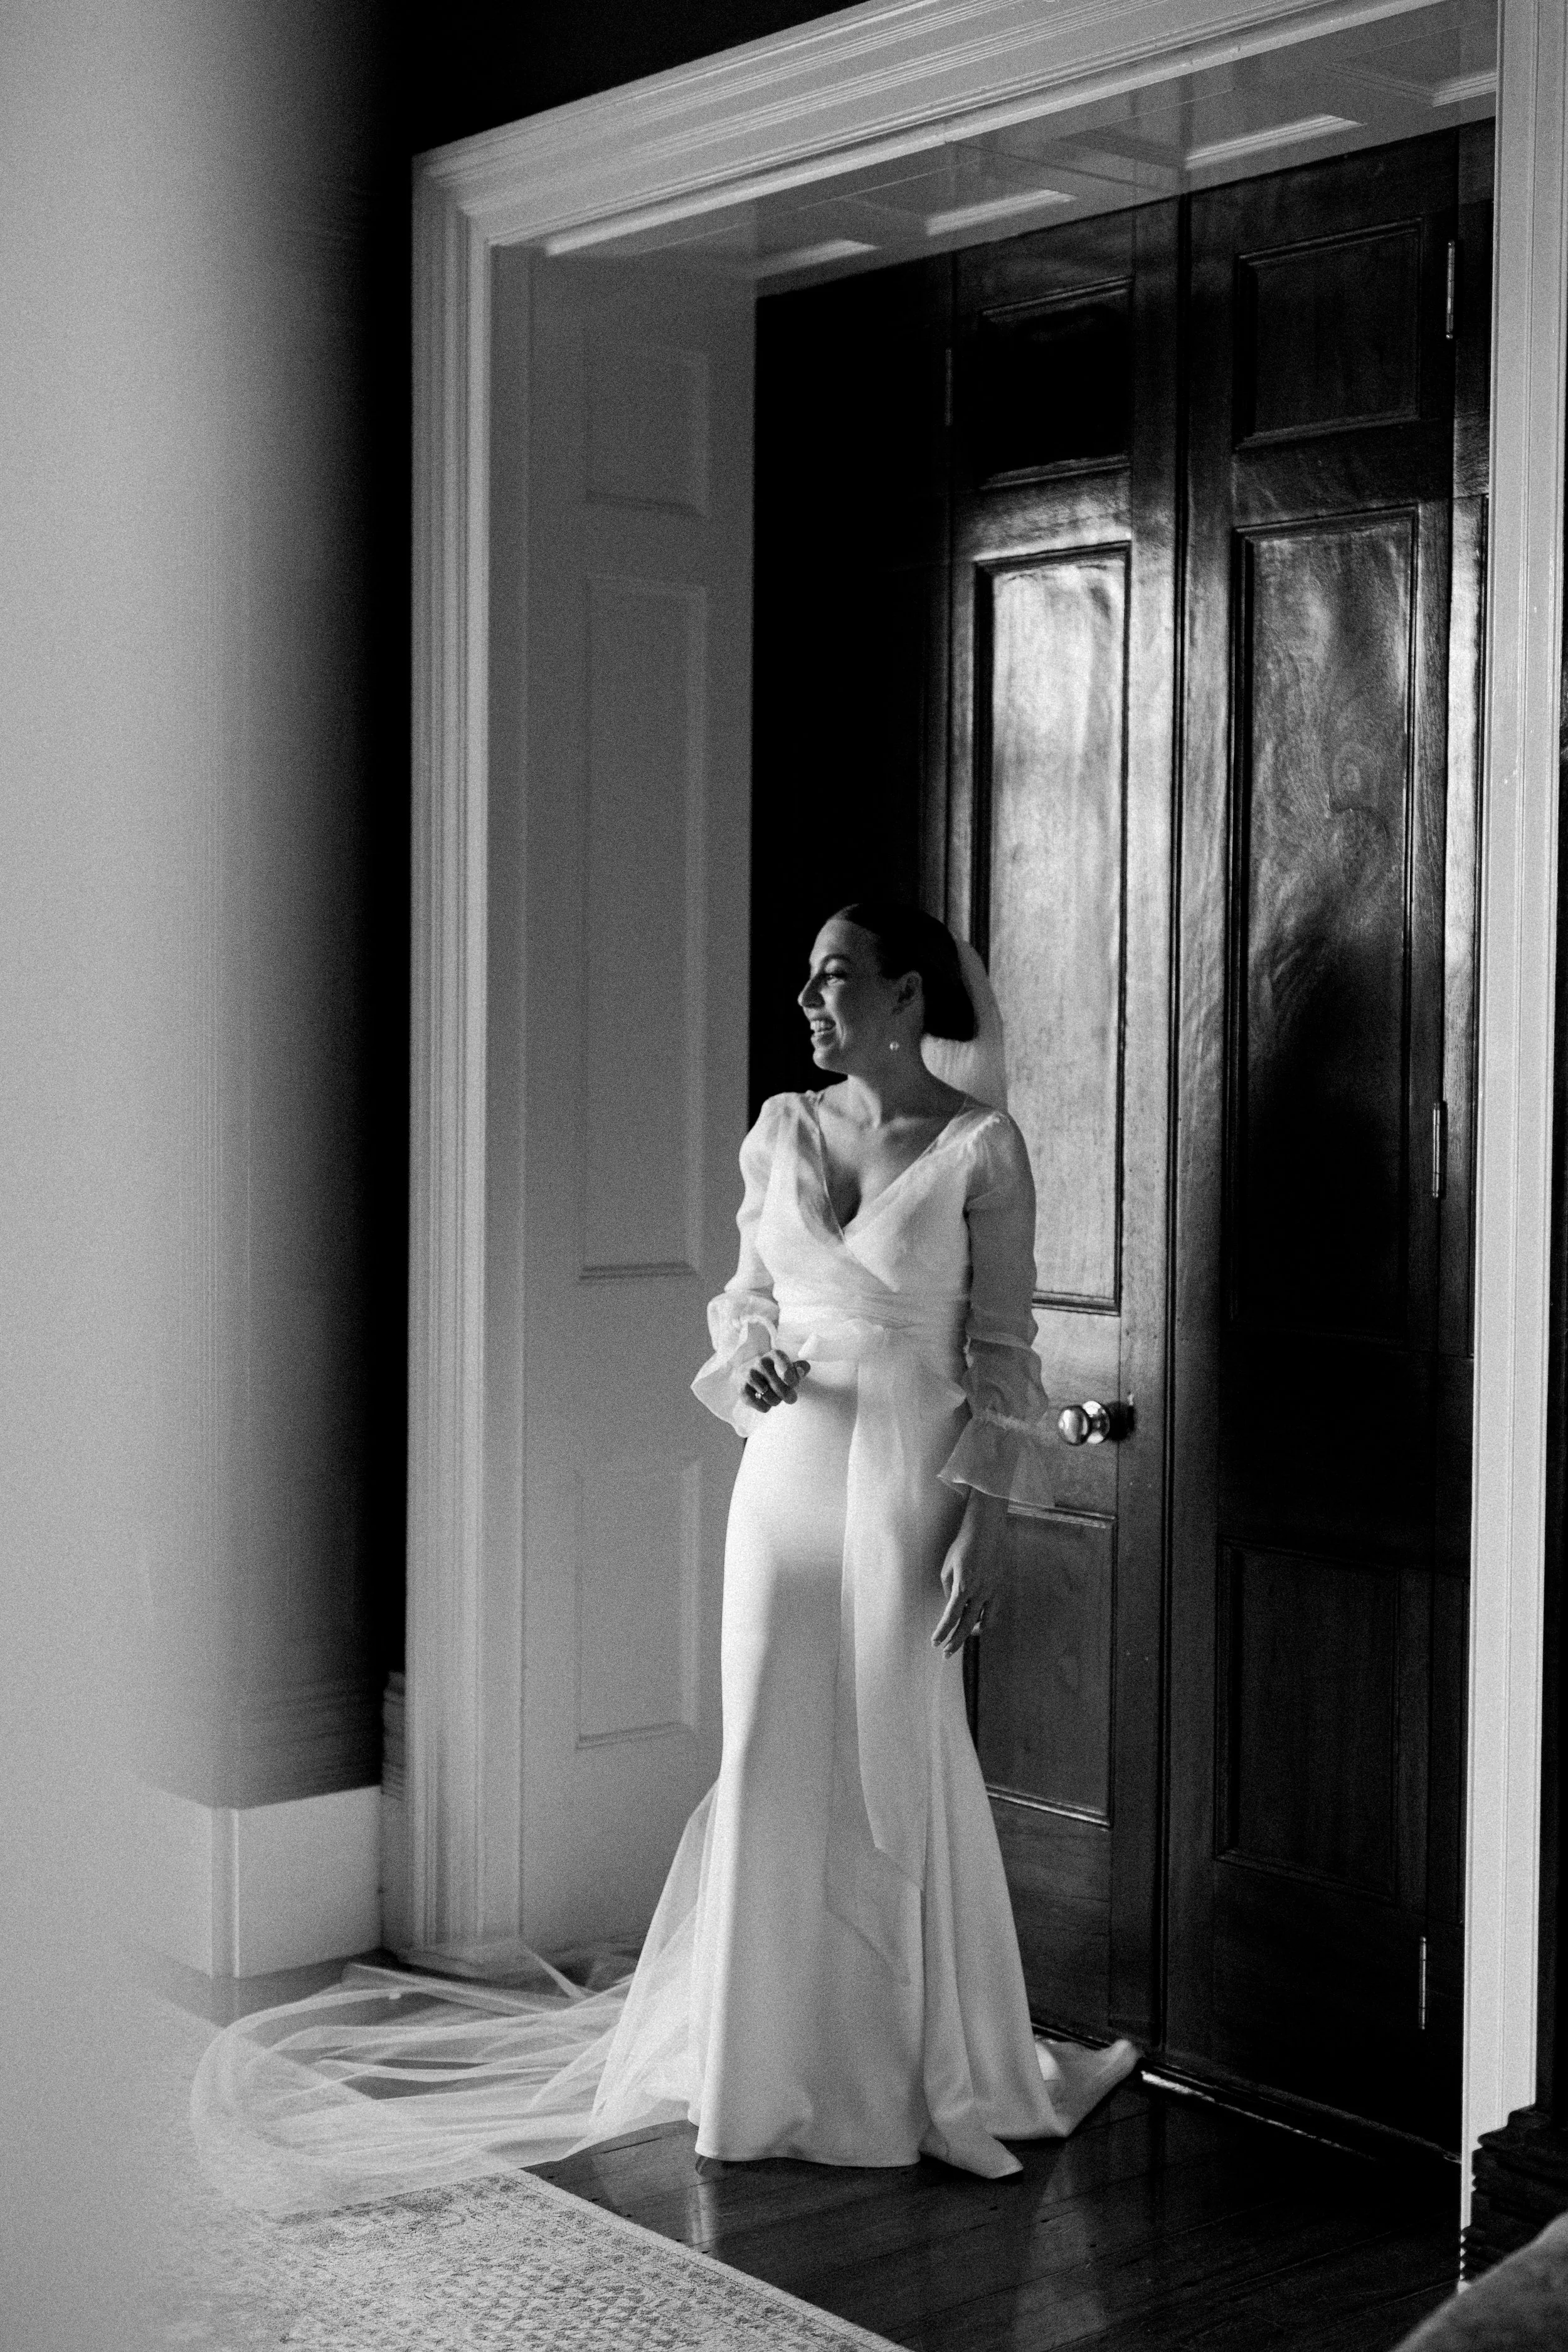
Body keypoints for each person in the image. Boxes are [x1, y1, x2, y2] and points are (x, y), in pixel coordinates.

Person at [191, 903, 1136, 2214]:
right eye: (805, 981)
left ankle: (913, 2069)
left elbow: (1004, 1353)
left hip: (913, 1480)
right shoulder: (783, 1130)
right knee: (761, 1748)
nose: (806, 1001)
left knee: (892, 1751)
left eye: (834, 978)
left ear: (908, 996)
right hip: (789, 1473)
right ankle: (757, 2071)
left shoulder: (982, 1147)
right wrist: (751, 1361)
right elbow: (750, 1298)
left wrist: (986, 1518)